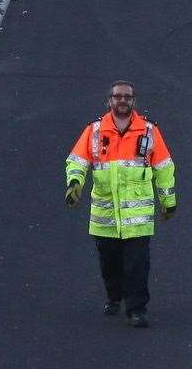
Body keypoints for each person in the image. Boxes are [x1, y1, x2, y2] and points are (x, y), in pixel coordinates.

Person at [66, 79, 176, 328]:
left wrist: (168, 201)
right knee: (110, 262)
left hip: (138, 218)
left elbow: (164, 167)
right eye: (118, 96)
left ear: (133, 101)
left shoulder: (149, 131)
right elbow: (77, 161)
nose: (122, 100)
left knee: (138, 264)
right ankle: (114, 296)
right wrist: (75, 184)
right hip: (105, 216)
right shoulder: (94, 131)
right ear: (109, 101)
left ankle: (137, 309)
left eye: (127, 96)